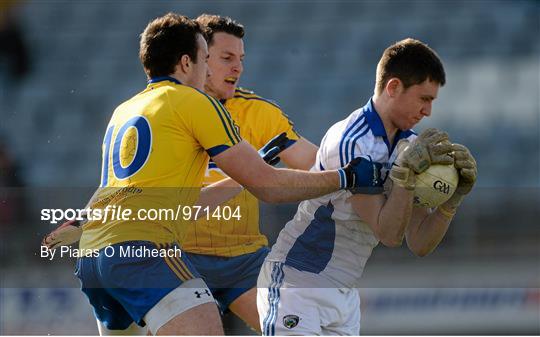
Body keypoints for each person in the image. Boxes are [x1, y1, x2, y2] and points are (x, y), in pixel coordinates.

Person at [45, 13, 381, 336]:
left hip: (100, 255)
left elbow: (126, 193)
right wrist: (348, 177)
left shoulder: (127, 109)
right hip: (151, 252)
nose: (228, 68)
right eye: (210, 58)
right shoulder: (195, 103)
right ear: (187, 62)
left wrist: (80, 222)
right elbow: (270, 186)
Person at [257, 38, 478, 335]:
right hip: (298, 283)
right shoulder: (351, 142)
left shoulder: (409, 146)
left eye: (432, 101)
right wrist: (404, 176)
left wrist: (452, 202)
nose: (427, 111)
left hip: (344, 294)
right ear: (393, 87)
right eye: (423, 98)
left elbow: (420, 242)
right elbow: (387, 233)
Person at [180, 14, 319, 332]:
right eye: (227, 58)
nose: (238, 68)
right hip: (179, 260)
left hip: (244, 261)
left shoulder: (257, 113)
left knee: (303, 331)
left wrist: (380, 170)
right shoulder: (167, 113)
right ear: (198, 59)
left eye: (240, 59)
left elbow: (317, 164)